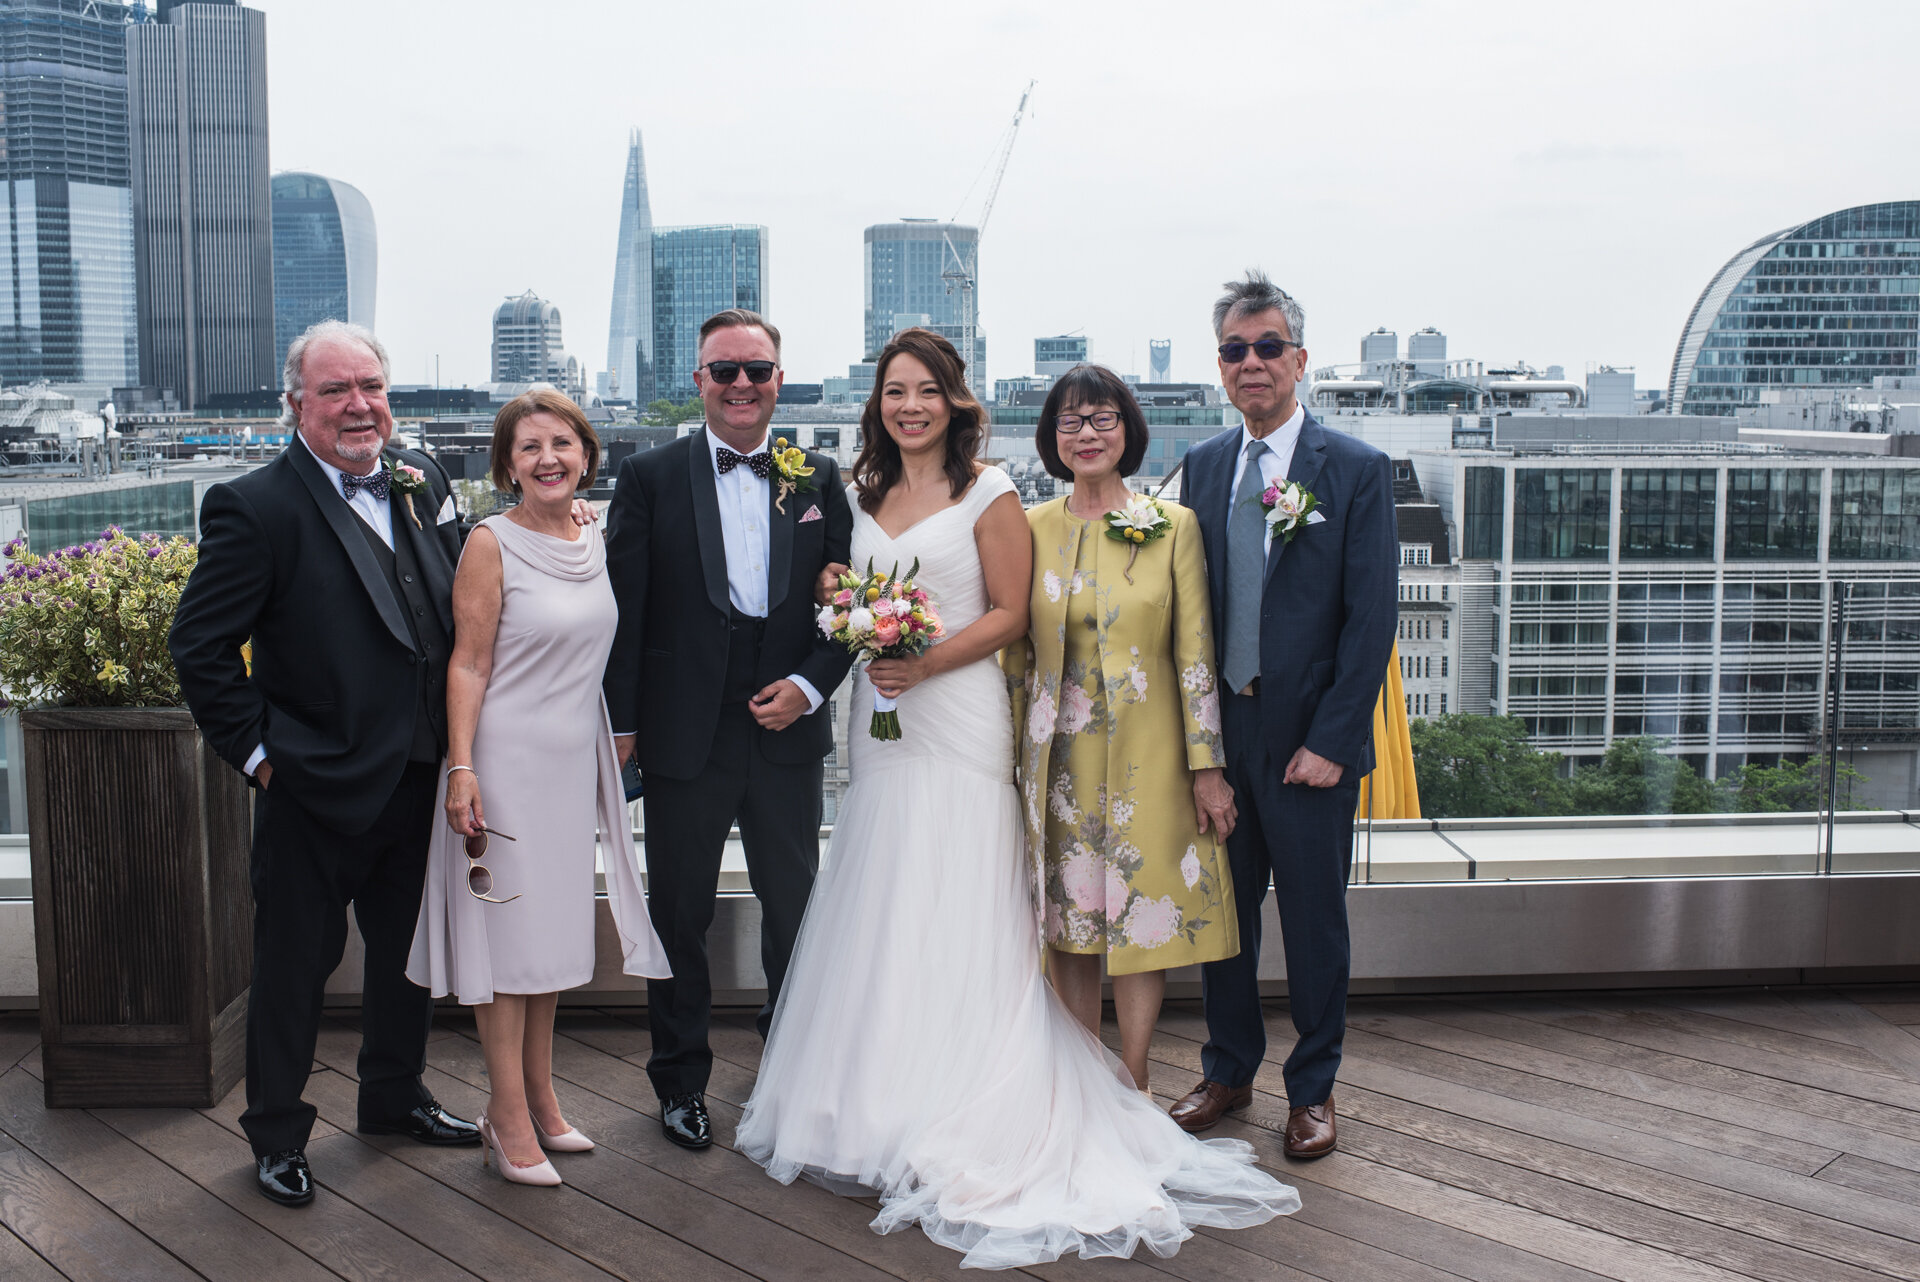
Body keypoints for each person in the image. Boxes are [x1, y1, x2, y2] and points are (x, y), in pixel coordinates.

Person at [736, 329, 1298, 1270]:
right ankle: (882, 1092)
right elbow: (845, 586)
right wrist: (849, 604)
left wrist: (919, 657)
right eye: (894, 391)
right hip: (895, 725)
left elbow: (1007, 617)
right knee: (887, 892)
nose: (908, 405)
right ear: (878, 404)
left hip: (960, 713)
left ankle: (1069, 1088)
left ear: (956, 400)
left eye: (926, 390)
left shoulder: (999, 496)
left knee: (967, 892)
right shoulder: (860, 493)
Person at [169, 321, 483, 1206]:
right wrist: (266, 759)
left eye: (371, 386)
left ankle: (391, 1099)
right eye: (336, 390)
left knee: (404, 956)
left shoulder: (423, 477)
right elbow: (199, 650)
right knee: (294, 965)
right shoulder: (254, 504)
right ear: (296, 405)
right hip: (312, 785)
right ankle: (275, 1133)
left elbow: (466, 593)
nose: (359, 405)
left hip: (421, 773)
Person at [601, 308, 855, 1152]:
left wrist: (811, 689)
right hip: (682, 733)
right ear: (699, 381)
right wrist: (625, 727)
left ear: (780, 380)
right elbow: (626, 613)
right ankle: (680, 1082)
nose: (741, 385)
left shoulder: (818, 477)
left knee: (795, 910)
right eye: (724, 371)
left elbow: (845, 609)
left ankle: (790, 1071)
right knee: (679, 913)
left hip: (785, 729)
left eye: (757, 370)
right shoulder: (650, 476)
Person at [407, 389, 670, 1186]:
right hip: (506, 765)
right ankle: (506, 1114)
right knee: (508, 946)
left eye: (562, 442)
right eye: (529, 447)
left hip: (570, 768)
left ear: (587, 453)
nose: (548, 458)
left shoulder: (591, 533)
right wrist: (462, 768)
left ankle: (543, 1098)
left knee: (552, 940)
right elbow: (469, 663)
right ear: (506, 463)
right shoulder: (491, 542)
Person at [1167, 273, 1398, 1159]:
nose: (1252, 362)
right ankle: (1228, 1071)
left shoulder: (1359, 470)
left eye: (1268, 347)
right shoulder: (1206, 467)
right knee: (1224, 919)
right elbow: (1188, 616)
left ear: (1300, 360)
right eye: (1235, 349)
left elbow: (1370, 622)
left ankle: (1315, 1088)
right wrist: (1201, 754)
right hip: (1223, 737)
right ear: (1220, 368)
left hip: (1309, 746)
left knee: (1313, 922)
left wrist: (1333, 744)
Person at [1007, 364, 1239, 1095]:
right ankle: (1080, 1087)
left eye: (1102, 419)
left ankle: (1134, 1079)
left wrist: (1208, 766)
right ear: (1051, 438)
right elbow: (1015, 654)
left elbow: (1195, 651)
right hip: (1057, 764)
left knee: (1140, 921)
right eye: (1070, 422)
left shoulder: (1175, 528)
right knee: (1068, 924)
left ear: (1128, 431)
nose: (1086, 434)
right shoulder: (1029, 527)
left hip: (1153, 757)